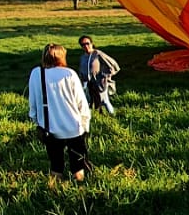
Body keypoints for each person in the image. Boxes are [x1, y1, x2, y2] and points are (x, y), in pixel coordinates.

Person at [28, 42, 92, 180]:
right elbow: (81, 103)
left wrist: (37, 121)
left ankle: (55, 190)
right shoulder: (69, 74)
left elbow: (32, 103)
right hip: (74, 127)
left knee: (56, 165)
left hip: (49, 129)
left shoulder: (37, 73)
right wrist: (85, 125)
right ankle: (79, 191)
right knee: (78, 166)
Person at [75, 34, 120, 117]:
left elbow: (113, 65)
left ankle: (113, 115)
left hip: (100, 82)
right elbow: (81, 69)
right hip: (88, 83)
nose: (86, 46)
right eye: (83, 44)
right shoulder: (83, 57)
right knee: (89, 100)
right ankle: (90, 117)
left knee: (104, 100)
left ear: (91, 43)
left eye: (87, 43)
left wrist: (107, 75)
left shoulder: (97, 54)